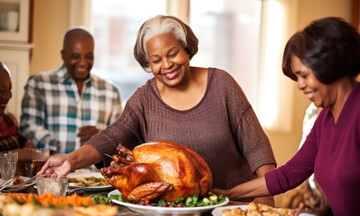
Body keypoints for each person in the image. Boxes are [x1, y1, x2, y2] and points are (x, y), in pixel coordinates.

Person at [39, 15, 276, 205]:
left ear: (186, 49)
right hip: (172, 214)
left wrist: (265, 202)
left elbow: (257, 147)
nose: (167, 65)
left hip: (233, 207)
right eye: (156, 60)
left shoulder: (222, 84)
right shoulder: (144, 98)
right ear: (148, 64)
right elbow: (113, 136)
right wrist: (71, 160)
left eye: (173, 54)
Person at [211, 17, 360, 216]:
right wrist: (225, 193)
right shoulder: (326, 118)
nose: (300, 85)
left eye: (304, 76)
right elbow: (288, 175)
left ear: (331, 66)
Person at [20, 27, 122, 155]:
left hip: (96, 174)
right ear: (63, 55)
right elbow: (29, 125)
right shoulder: (39, 83)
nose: (83, 63)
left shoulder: (111, 92)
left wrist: (102, 137)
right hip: (53, 172)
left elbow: (121, 137)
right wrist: (58, 151)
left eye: (89, 56)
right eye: (75, 56)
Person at [0, 62, 35, 158]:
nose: (8, 96)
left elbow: (28, 144)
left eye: (9, 89)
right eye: (1, 90)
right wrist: (12, 156)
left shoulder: (9, 120)